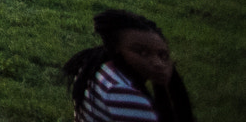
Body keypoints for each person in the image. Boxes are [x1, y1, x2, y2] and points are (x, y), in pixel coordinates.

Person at [62, 9, 193, 122]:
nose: (157, 63)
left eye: (162, 55)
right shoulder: (123, 93)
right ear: (116, 49)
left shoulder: (97, 69)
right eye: (142, 52)